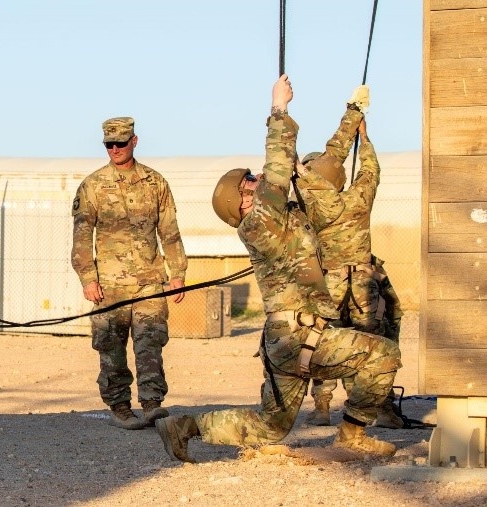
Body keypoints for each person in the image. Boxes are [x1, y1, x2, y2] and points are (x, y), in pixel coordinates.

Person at [156, 75, 401, 463]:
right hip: (298, 334)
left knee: (271, 426)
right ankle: (353, 434)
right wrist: (279, 109)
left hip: (289, 338)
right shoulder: (257, 222)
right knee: (383, 354)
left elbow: (323, 165)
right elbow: (279, 164)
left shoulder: (279, 218)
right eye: (250, 181)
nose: (259, 179)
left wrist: (353, 118)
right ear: (243, 199)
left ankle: (185, 428)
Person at [296, 89, 405, 429]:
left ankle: (322, 406)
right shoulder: (360, 198)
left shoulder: (311, 203)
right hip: (363, 285)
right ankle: (381, 408)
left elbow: (329, 155)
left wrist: (350, 116)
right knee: (374, 341)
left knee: (323, 339)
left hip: (327, 281)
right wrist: (363, 136)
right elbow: (371, 168)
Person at [71, 117, 188, 430]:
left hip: (150, 282)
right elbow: (82, 236)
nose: (114, 149)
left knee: (150, 342)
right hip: (109, 285)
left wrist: (177, 273)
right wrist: (88, 278)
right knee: (111, 345)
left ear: (134, 141)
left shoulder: (155, 182)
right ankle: (120, 405)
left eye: (120, 143)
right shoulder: (93, 185)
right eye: (108, 144)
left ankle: (151, 403)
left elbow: (170, 230)